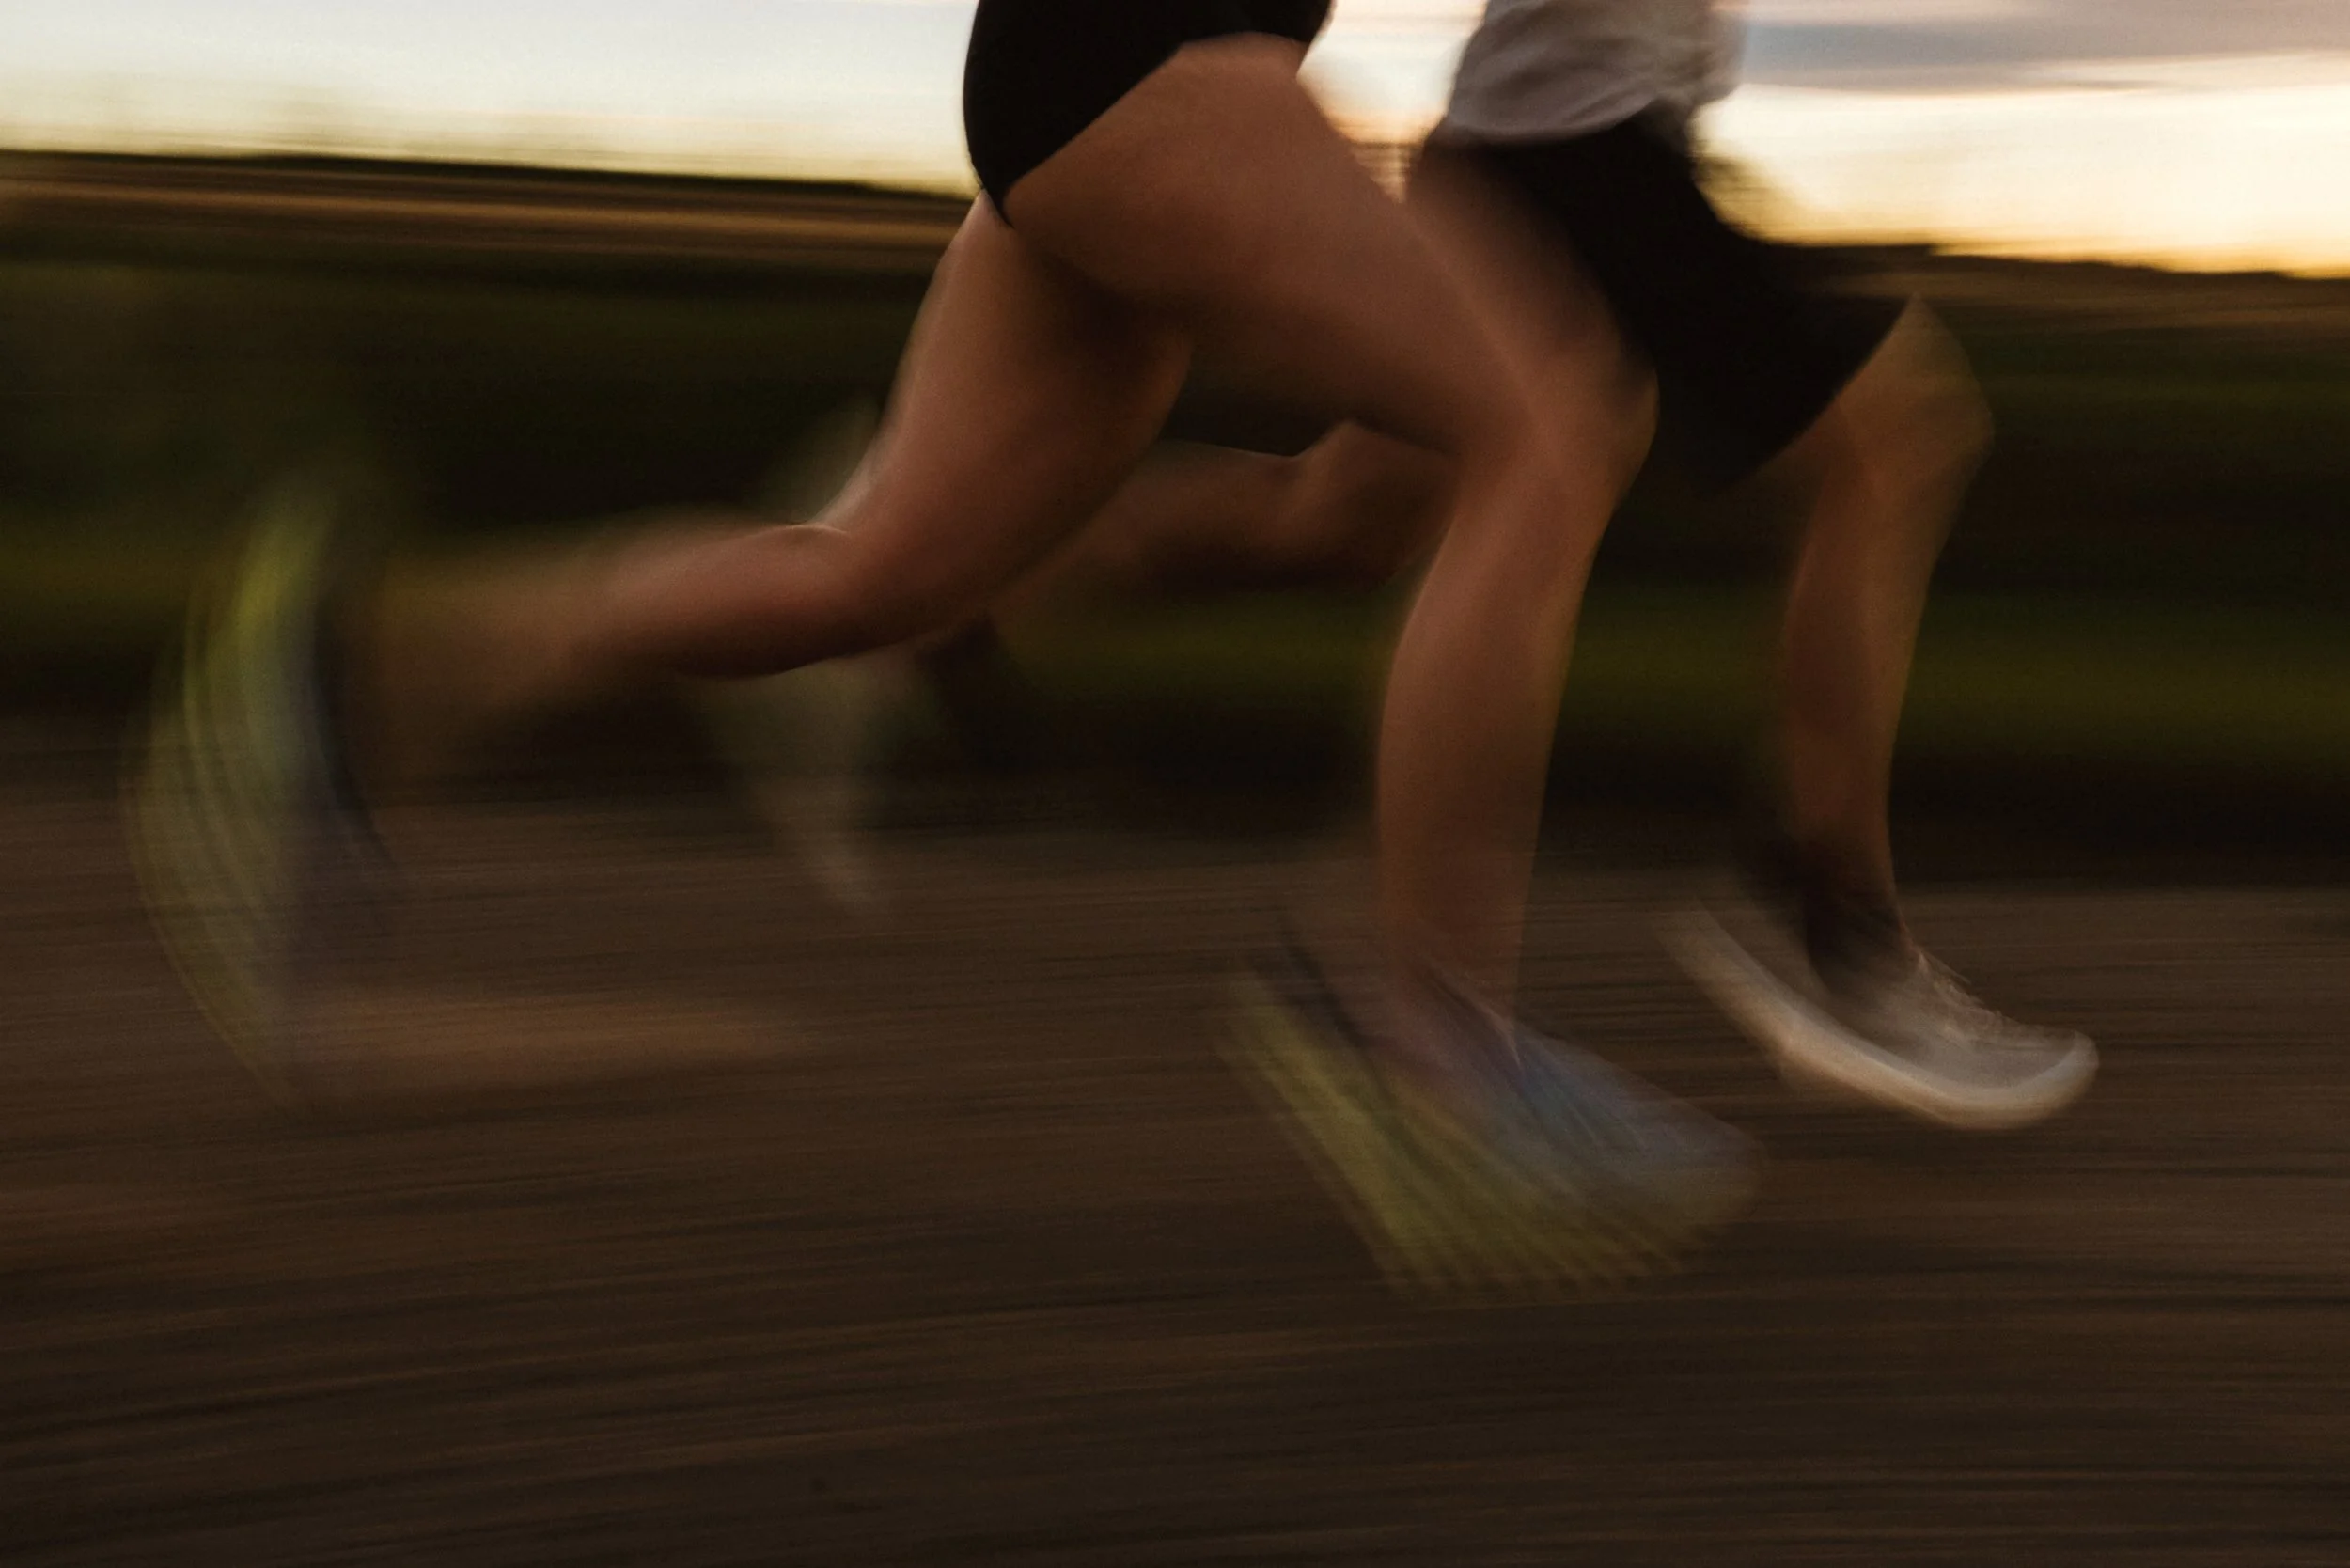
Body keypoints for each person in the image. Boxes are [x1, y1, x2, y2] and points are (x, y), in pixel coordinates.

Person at [133, 0, 1756, 1300]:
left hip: (1097, 69)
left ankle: (352, 672)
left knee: (883, 577)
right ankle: (1436, 1050)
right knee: (1535, 444)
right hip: (1154, 64)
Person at [767, 0, 2096, 1132]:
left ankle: (948, 601)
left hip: (1532, 149)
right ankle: (1832, 925)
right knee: (1895, 444)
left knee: (1342, 522)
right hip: (1579, 150)